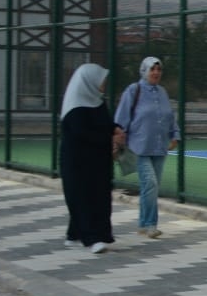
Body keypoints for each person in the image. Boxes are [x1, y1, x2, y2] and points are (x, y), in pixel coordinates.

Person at [113, 56, 180, 239]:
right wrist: (117, 136)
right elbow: (121, 117)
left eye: (159, 69)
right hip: (139, 147)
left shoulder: (162, 92)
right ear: (144, 71)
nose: (156, 73)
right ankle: (151, 224)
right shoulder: (133, 90)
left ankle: (143, 224)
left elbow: (170, 116)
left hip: (159, 147)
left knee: (151, 187)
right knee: (150, 183)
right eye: (152, 69)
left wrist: (175, 134)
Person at [59, 63, 118, 255]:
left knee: (97, 196)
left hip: (98, 161)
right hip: (78, 162)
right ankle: (92, 239)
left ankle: (74, 235)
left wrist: (115, 129)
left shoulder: (98, 101)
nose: (104, 85)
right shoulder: (74, 107)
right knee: (83, 197)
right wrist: (109, 138)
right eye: (101, 81)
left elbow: (103, 124)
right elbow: (82, 133)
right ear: (88, 81)